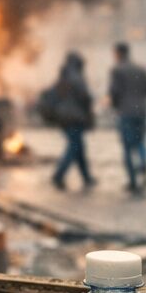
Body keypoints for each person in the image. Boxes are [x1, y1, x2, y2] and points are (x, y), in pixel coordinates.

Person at [41, 52, 96, 191]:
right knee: (74, 147)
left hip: (63, 117)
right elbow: (86, 97)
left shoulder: (63, 77)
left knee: (79, 148)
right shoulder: (76, 77)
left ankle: (86, 177)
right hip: (74, 117)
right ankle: (58, 175)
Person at [109, 41, 146, 194]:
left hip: (126, 111)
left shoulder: (118, 70)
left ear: (119, 53)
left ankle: (133, 181)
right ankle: (143, 166)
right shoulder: (141, 69)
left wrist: (116, 106)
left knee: (128, 147)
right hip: (141, 110)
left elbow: (114, 92)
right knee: (141, 143)